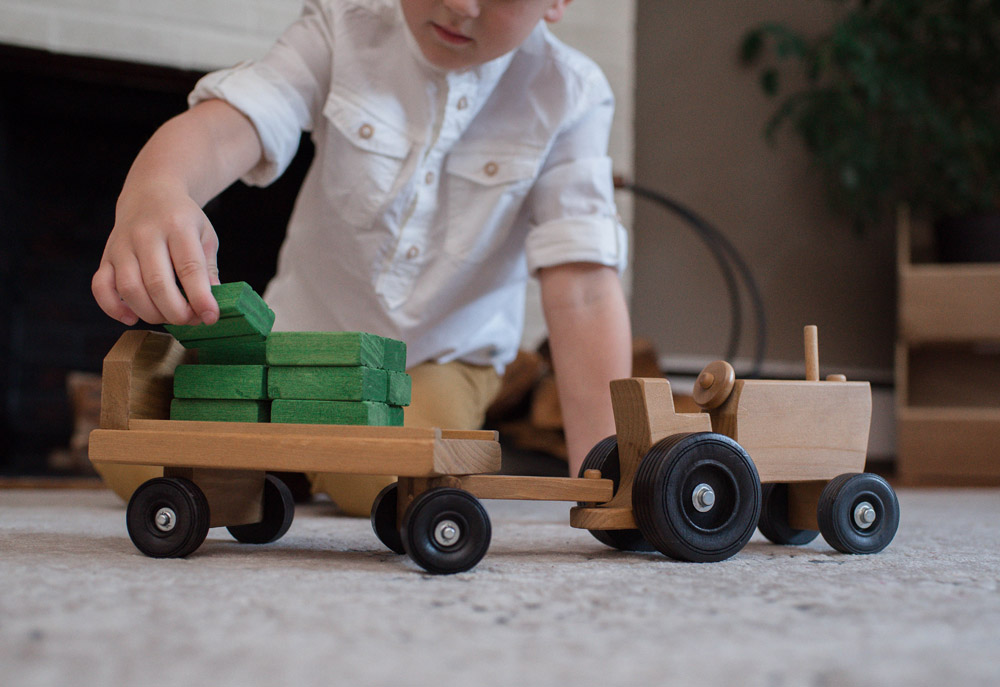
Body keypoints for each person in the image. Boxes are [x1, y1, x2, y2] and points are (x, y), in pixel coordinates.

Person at [91, 0, 632, 515]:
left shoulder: (571, 94)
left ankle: (288, 464)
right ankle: (283, 463)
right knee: (144, 462)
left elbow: (583, 289)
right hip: (297, 341)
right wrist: (158, 187)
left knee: (390, 475)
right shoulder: (342, 25)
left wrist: (610, 476)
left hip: (435, 359)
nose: (460, 6)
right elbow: (227, 125)